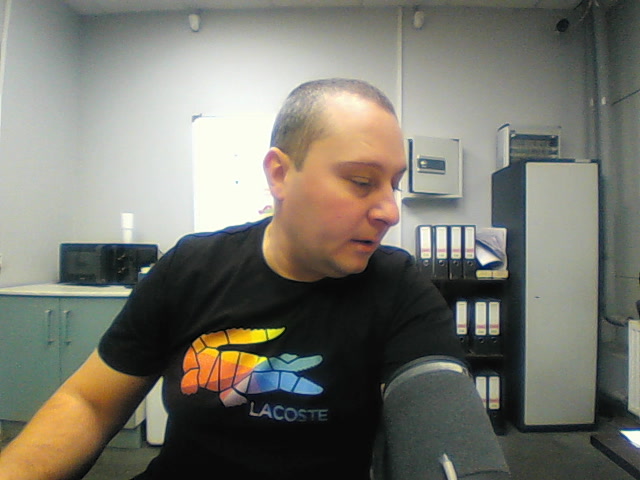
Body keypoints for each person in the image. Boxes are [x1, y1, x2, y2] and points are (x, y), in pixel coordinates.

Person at [0, 78, 465, 479]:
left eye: (393, 185)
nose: (389, 212)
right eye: (363, 181)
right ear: (280, 174)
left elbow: (442, 426)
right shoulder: (191, 267)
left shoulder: (399, 287)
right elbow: (90, 403)